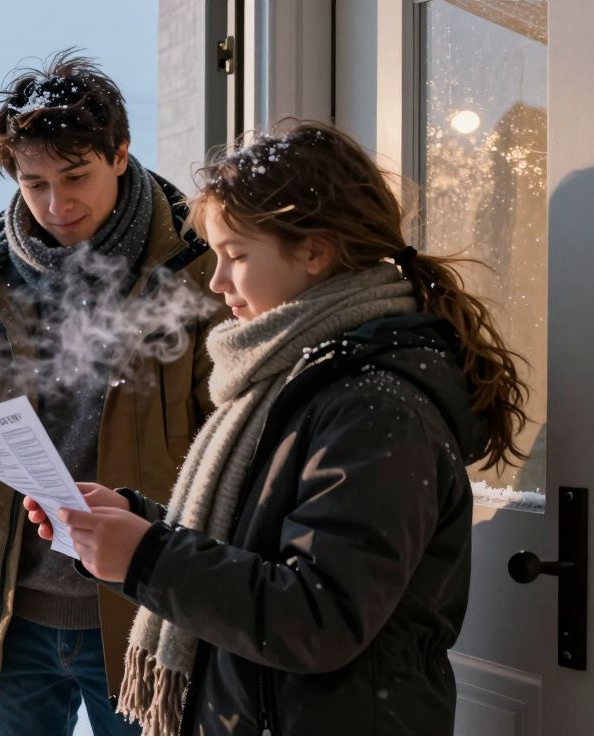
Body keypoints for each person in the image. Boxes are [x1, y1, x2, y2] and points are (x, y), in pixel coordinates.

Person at [26, 121, 530, 735]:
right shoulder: (294, 378)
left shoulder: (374, 406)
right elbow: (258, 548)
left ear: (315, 251)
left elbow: (318, 616)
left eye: (235, 255)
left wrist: (146, 557)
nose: (215, 282)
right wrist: (135, 523)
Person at [0, 51, 226, 735]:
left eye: (76, 177)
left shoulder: (197, 265)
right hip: (9, 616)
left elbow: (230, 444)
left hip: (144, 615)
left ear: (122, 153)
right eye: (34, 181)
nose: (56, 204)